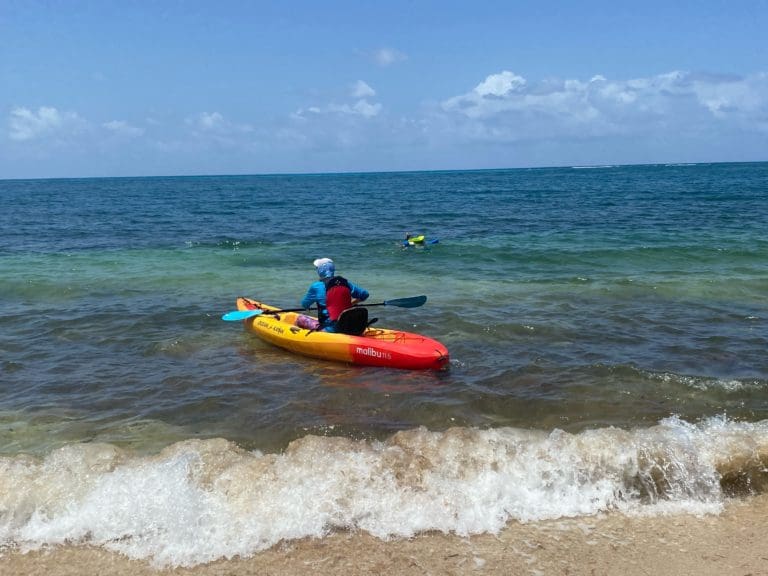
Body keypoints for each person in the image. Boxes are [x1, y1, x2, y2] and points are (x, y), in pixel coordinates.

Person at [300, 258, 369, 332]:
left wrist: (308, 307)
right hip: (348, 325)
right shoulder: (345, 284)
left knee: (300, 319)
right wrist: (351, 303)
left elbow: (304, 304)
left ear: (320, 270)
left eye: (317, 268)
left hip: (330, 328)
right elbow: (364, 294)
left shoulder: (316, 286)